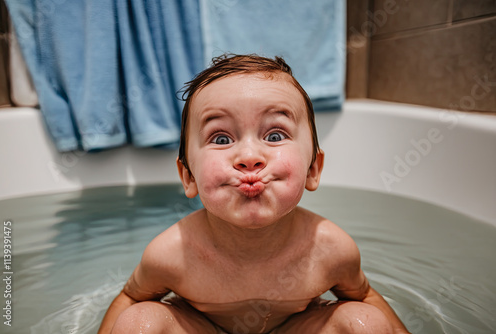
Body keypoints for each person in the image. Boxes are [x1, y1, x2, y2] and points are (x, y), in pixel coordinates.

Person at [98, 54, 410, 334]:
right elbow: (129, 297)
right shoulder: (171, 254)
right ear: (188, 176)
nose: (249, 155)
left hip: (295, 328)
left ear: (313, 169)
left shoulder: (329, 250)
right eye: (221, 139)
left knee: (365, 322)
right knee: (138, 323)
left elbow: (365, 295)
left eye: (275, 135)